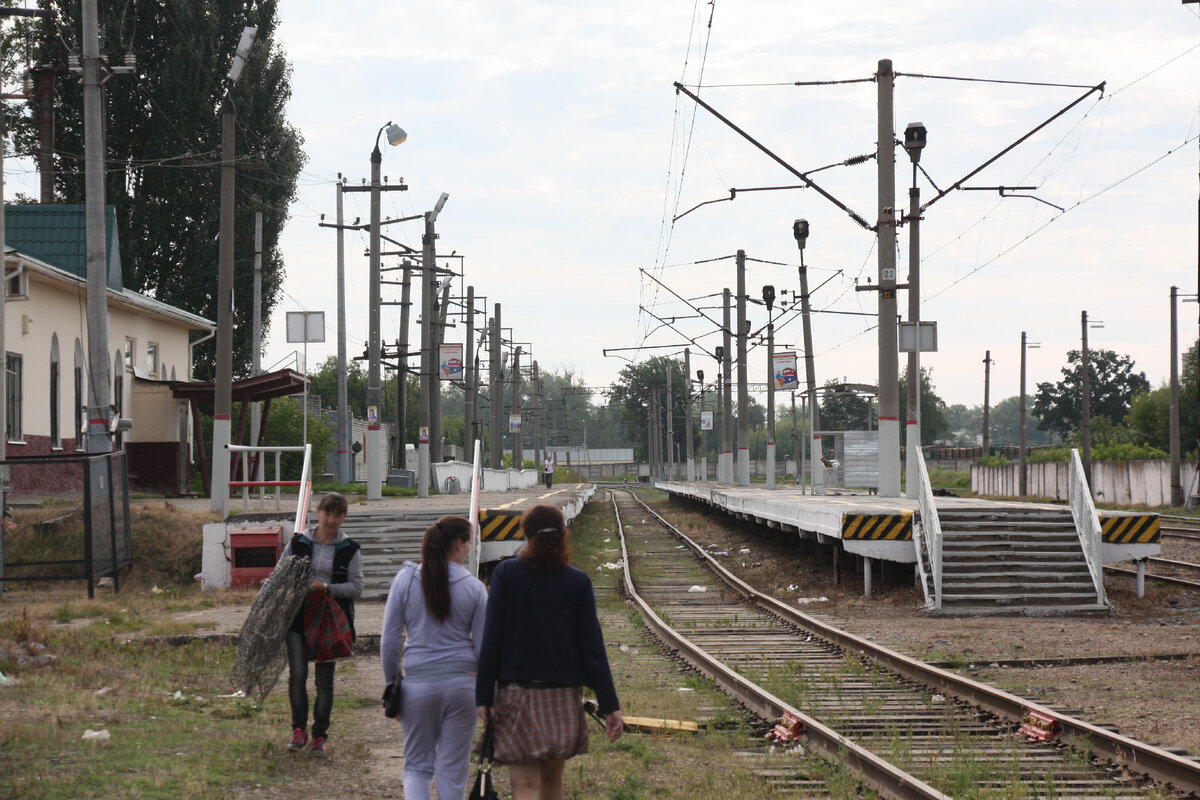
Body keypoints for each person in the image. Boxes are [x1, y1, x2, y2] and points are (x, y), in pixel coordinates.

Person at [476, 504, 623, 800]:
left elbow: (491, 639)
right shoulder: (577, 581)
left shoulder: (505, 575)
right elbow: (592, 647)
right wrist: (610, 705)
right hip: (563, 695)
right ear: (563, 535)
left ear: (526, 535)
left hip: (516, 694)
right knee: (553, 783)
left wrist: (484, 696)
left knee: (526, 785)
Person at [381, 516, 488, 800]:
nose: (471, 549)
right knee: (452, 769)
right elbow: (484, 648)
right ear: (458, 544)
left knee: (417, 766)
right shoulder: (475, 588)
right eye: (470, 542)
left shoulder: (405, 580)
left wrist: (393, 685)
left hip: (417, 686)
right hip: (462, 688)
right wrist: (488, 696)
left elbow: (389, 640)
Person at [278, 491, 362, 755]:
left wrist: (326, 587)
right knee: (298, 675)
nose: (331, 519)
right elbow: (279, 573)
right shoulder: (298, 542)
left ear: (344, 517)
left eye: (338, 515)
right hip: (297, 616)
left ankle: (319, 736)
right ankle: (298, 730)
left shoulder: (350, 549)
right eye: (328, 513)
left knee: (324, 682)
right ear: (318, 512)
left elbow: (356, 588)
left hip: (330, 621)